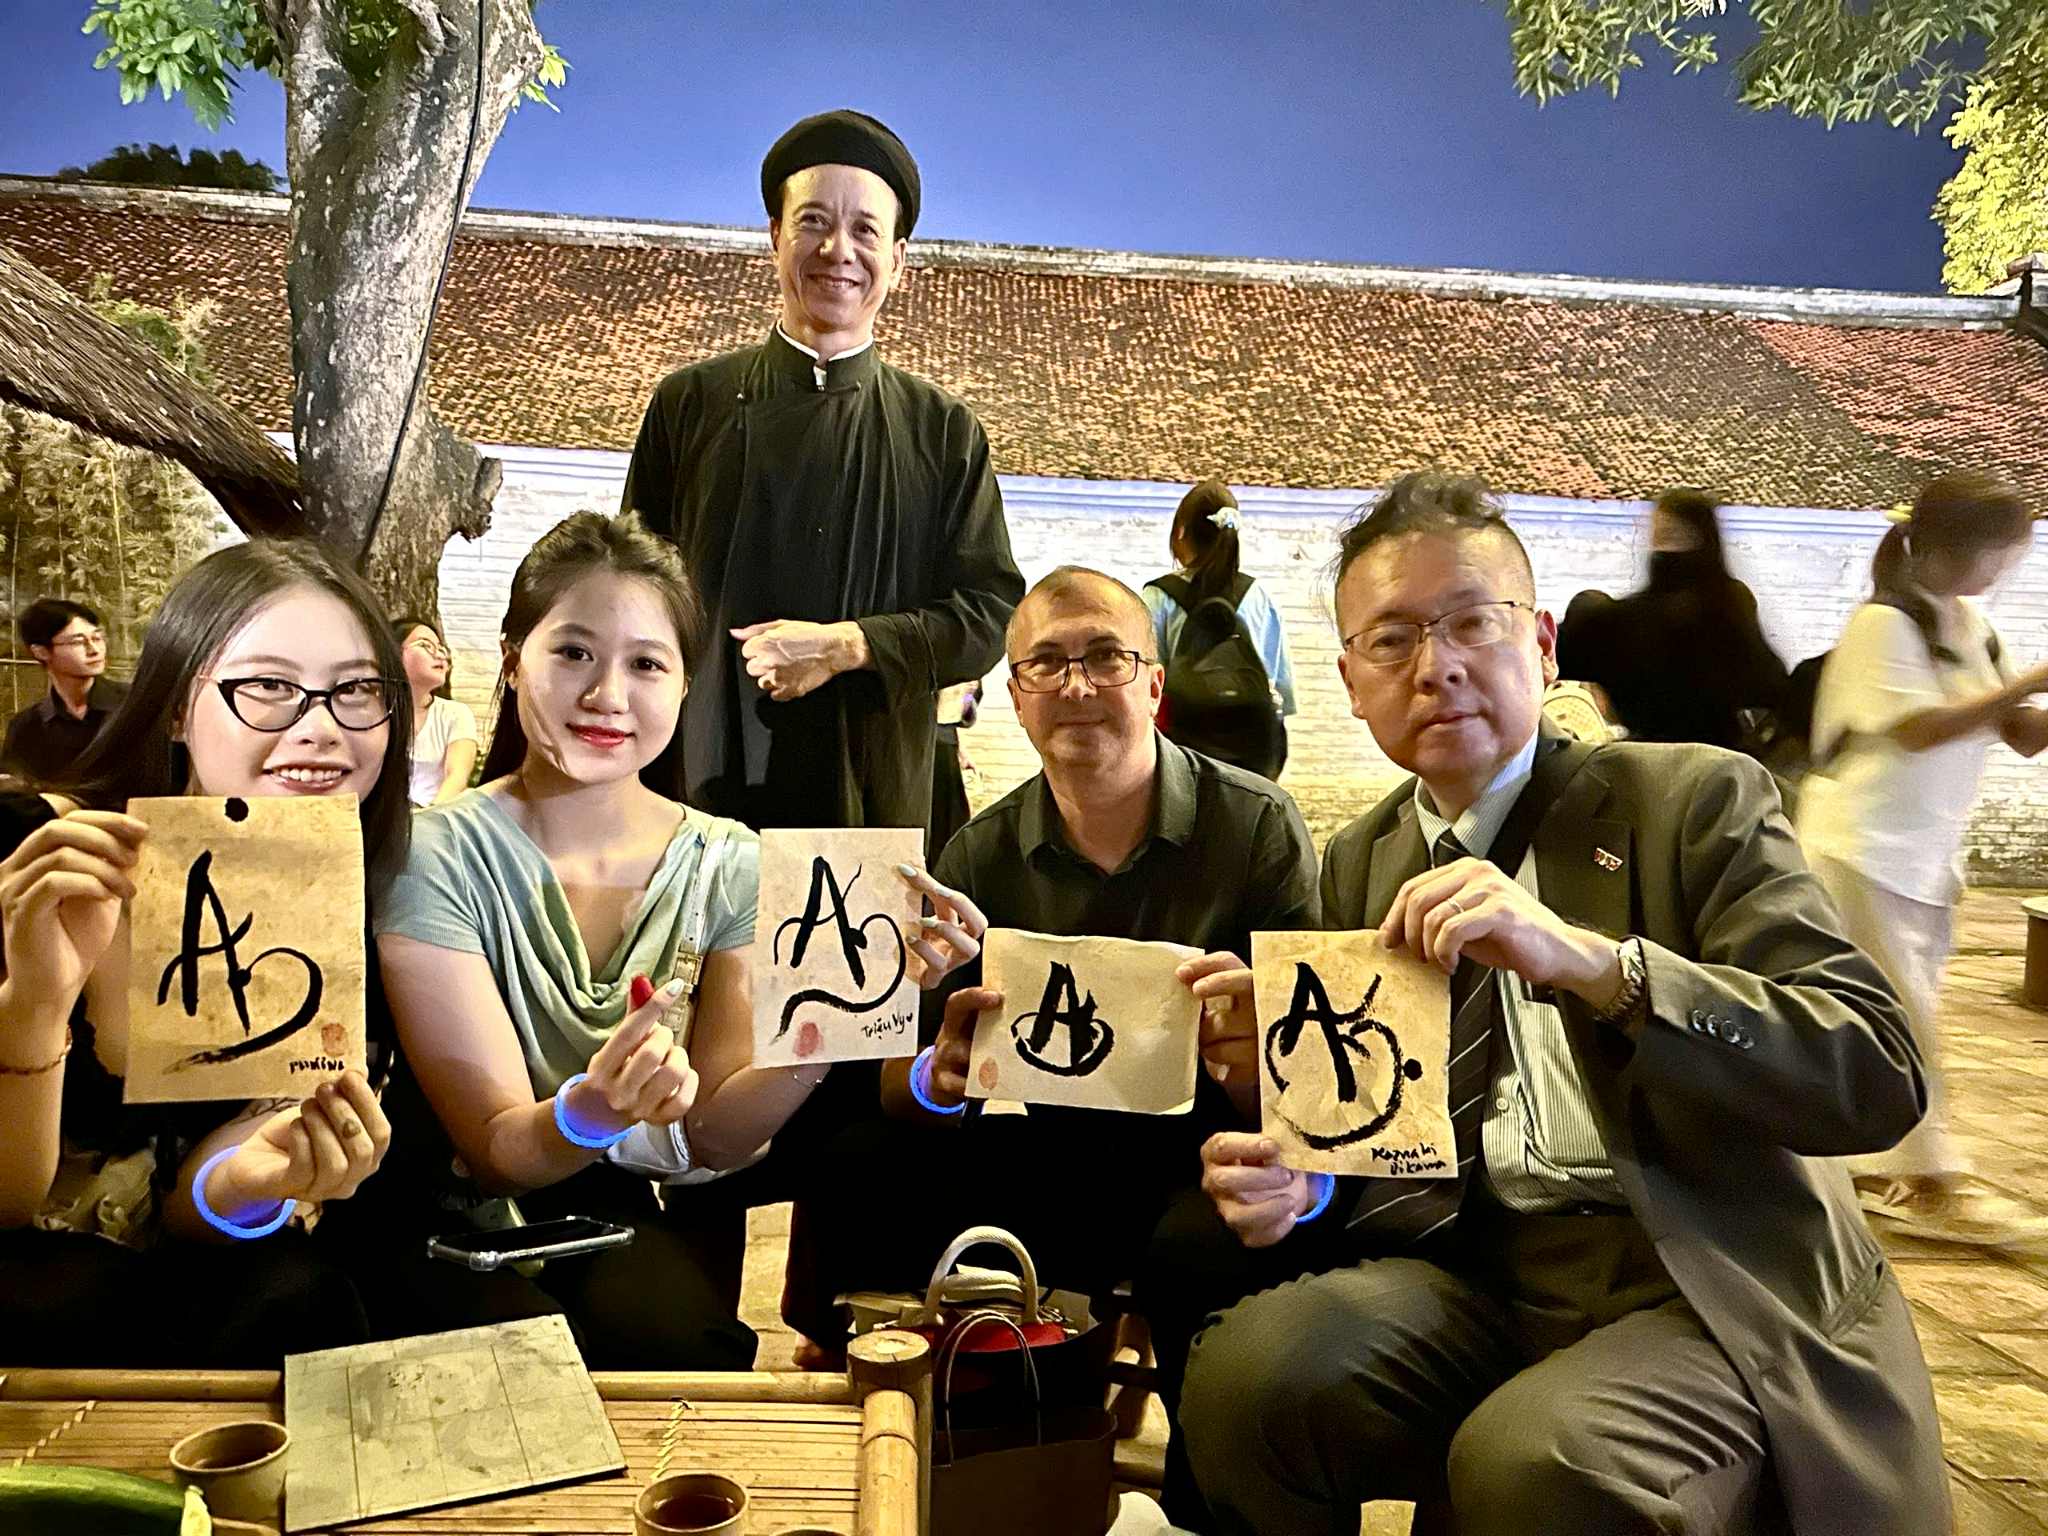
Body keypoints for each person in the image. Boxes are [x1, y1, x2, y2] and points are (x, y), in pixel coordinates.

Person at [1176, 472, 1943, 1535]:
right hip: (1486, 1267)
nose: (1435, 666)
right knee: (1249, 1380)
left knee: (1536, 1458)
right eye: (1391, 640)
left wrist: (1599, 967)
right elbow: (1375, 1132)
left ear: (1539, 645)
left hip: (1705, 1272)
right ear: (1350, 683)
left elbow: (1875, 1071)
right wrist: (1300, 1180)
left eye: (1469, 623)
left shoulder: (1690, 802)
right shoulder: (1364, 860)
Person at [367, 512, 982, 1369]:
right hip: (448, 1206)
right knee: (501, 1362)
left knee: (681, 1347)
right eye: (573, 652)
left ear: (686, 685)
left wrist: (852, 1009)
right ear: (512, 660)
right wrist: (594, 1107)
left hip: (613, 1206)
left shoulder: (730, 862)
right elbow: (497, 1155)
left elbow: (715, 1140)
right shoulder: (431, 855)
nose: (607, 695)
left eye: (646, 664)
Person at [800, 566, 1318, 1498]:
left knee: (1212, 1245)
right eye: (1047, 664)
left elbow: (1307, 1076)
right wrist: (935, 1078)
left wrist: (1247, 1063)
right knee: (857, 1162)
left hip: (1195, 1150)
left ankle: (1208, 1501)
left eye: (1106, 658)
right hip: (1043, 1144)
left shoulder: (1256, 827)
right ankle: (905, 1453)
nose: (1077, 686)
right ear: (1016, 697)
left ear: (1153, 684)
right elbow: (913, 1071)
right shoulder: (981, 851)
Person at [0, 541, 406, 1367]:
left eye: (357, 690)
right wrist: (35, 1008)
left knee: (300, 1296)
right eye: (269, 685)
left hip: (192, 1282)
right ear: (177, 708)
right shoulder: (38, 863)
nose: (321, 727)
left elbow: (201, 1205)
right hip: (36, 1287)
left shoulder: (361, 904)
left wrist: (248, 1187)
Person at [621, 108, 1023, 833]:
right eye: (813, 222)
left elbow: (987, 617)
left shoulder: (942, 432)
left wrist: (850, 645)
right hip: (692, 787)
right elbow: (633, 594)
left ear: (898, 260)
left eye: (865, 230)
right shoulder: (689, 405)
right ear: (775, 235)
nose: (838, 250)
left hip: (869, 799)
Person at [1797, 471, 2048, 1245]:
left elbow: (2018, 732)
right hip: (1860, 847)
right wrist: (2032, 681)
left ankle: (1873, 1166)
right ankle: (1918, 1177)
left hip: (1921, 855)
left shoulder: (1971, 624)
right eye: (2001, 552)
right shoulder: (1884, 623)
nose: (2006, 567)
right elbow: (1919, 730)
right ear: (1952, 547)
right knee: (1898, 1014)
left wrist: (2030, 696)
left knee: (1895, 1012)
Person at [1555, 488, 1787, 753]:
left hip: (1652, 756)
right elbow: (1766, 681)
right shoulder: (1731, 601)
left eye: (1666, 532)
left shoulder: (1630, 619)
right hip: (1720, 755)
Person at [1142, 481, 1294, 780]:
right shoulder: (1258, 595)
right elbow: (1281, 688)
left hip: (1184, 751)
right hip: (1253, 751)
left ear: (1180, 533)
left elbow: (1146, 684)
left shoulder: (1158, 597)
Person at [2, 598, 129, 782]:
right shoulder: (26, 728)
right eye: (78, 642)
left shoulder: (134, 703)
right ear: (41, 652)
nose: (94, 650)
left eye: (97, 638)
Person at [394, 617, 479, 807]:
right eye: (425, 645)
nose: (440, 655)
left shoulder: (455, 714)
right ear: (394, 653)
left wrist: (429, 816)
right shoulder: (374, 713)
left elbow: (457, 776)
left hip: (436, 813)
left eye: (441, 648)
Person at [927, 679, 980, 863]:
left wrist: (967, 696)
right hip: (924, 747)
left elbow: (959, 716)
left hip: (946, 745)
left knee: (951, 822)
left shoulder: (964, 671)